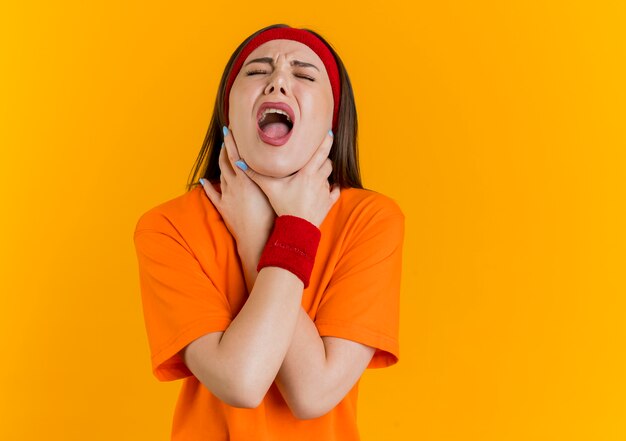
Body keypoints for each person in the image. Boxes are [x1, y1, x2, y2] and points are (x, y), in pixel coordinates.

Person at [133, 23, 405, 441]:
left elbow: (312, 394)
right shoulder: (169, 228)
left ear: (333, 119)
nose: (278, 81)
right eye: (258, 71)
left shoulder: (369, 221)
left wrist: (263, 237)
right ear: (229, 110)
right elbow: (241, 380)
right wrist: (288, 236)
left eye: (304, 74)